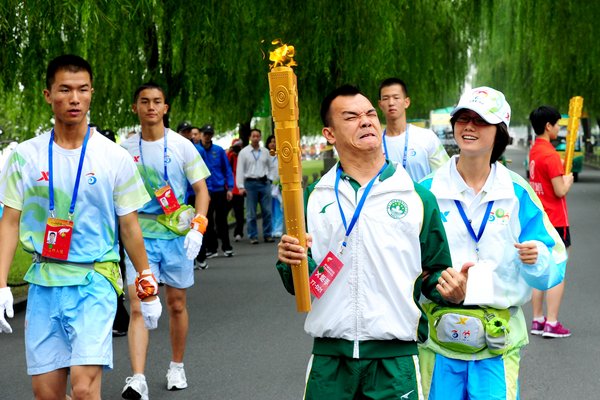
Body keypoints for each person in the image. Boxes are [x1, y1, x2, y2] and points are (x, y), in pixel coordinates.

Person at [277, 85, 467, 400]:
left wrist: (452, 289)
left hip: (394, 362)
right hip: (330, 361)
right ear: (330, 133)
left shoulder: (416, 197)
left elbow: (435, 273)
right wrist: (290, 263)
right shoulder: (311, 200)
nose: (365, 122)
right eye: (350, 117)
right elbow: (303, 286)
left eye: (369, 114)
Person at [0, 54, 161, 400]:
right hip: (44, 281)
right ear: (47, 95)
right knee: (46, 393)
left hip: (94, 281)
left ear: (91, 94)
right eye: (65, 90)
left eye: (82, 90)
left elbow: (130, 226)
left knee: (85, 389)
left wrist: (145, 279)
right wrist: (0, 284)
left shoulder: (113, 156)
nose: (74, 98)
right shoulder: (24, 157)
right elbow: (9, 221)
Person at [418, 87, 567, 400]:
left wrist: (536, 257)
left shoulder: (516, 192)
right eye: (463, 119)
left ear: (499, 132)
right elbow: (404, 261)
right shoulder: (427, 190)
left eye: (480, 121)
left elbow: (554, 259)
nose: (469, 126)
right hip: (439, 342)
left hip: (498, 344)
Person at [121, 82, 210, 399]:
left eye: (157, 101)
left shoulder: (183, 146)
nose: (150, 107)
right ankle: (138, 377)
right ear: (135, 108)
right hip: (140, 236)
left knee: (176, 304)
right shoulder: (125, 149)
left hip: (176, 235)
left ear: (165, 107)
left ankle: (176, 365)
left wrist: (198, 227)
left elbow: (201, 191)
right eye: (144, 101)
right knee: (138, 304)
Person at [528, 105, 573, 338]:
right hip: (556, 220)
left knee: (540, 269)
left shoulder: (534, 151)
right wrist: (568, 180)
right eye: (557, 125)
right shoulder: (551, 155)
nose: (559, 129)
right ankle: (552, 322)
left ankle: (537, 319)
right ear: (548, 126)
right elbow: (558, 190)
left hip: (540, 219)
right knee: (557, 270)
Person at [378, 77, 449, 181]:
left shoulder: (427, 137)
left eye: (396, 97)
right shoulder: (375, 142)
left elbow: (446, 173)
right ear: (380, 104)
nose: (391, 103)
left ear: (406, 102)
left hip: (422, 197)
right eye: (385, 98)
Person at [195, 124, 235, 263]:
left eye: (209, 134)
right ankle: (211, 248)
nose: (207, 136)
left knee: (222, 219)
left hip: (219, 190)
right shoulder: (197, 150)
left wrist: (230, 188)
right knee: (207, 221)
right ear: (201, 134)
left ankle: (226, 246)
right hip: (205, 191)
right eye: (205, 134)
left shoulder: (218, 150)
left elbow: (227, 170)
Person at [236, 128, 273, 244]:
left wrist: (270, 179)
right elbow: (240, 170)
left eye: (258, 136)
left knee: (267, 211)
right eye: (254, 136)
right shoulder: (244, 152)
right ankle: (253, 235)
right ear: (250, 138)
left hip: (264, 183)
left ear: (260, 138)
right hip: (250, 184)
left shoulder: (265, 151)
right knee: (251, 213)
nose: (256, 138)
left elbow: (271, 166)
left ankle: (268, 234)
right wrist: (240, 186)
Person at [227, 138, 245, 242]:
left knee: (239, 213)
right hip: (230, 188)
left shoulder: (243, 156)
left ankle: (239, 232)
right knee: (224, 212)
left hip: (239, 189)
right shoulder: (230, 155)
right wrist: (230, 152)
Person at [266, 134, 283, 237]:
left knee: (278, 208)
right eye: (271, 141)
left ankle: (278, 229)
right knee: (269, 209)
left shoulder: (280, 155)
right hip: (267, 185)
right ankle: (270, 229)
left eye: (275, 141)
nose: (273, 143)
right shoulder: (264, 155)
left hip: (278, 185)